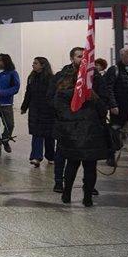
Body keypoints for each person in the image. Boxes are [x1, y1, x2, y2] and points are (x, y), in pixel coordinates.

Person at [52, 68, 111, 207]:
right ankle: (88, 198)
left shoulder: (62, 94)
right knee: (90, 167)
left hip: (72, 136)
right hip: (91, 135)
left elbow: (60, 113)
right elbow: (103, 112)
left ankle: (67, 194)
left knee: (72, 165)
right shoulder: (91, 94)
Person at [105, 47, 128, 166]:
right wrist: (113, 105)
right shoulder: (114, 70)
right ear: (122, 56)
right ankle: (110, 156)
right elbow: (109, 89)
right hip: (119, 109)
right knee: (114, 132)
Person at [20, 57, 55, 167]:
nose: (33, 65)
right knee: (36, 134)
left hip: (48, 111)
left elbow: (54, 95)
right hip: (35, 110)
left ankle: (51, 156)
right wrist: (24, 107)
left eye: (35, 63)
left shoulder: (51, 79)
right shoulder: (31, 78)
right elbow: (28, 93)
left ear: (42, 65)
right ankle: (36, 157)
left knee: (49, 136)